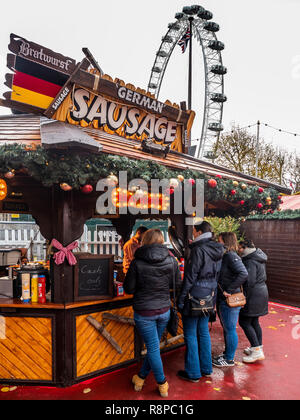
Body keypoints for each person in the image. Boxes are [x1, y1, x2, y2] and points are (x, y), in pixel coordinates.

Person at [123, 229, 181, 398]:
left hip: (144, 311)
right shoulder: (172, 260)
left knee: (153, 348)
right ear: (162, 241)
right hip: (164, 310)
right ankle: (140, 378)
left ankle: (162, 383)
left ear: (145, 241)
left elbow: (128, 288)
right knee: (154, 347)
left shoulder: (137, 262)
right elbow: (176, 283)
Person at [177, 221, 224, 382]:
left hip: (194, 295)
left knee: (190, 334)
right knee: (203, 332)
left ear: (198, 232)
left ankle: (193, 373)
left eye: (194, 232)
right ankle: (206, 369)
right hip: (209, 295)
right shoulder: (218, 249)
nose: (193, 234)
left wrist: (181, 299)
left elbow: (190, 278)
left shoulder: (197, 250)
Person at [213, 232, 248, 368]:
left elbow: (243, 273)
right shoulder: (229, 256)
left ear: (225, 242)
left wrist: (229, 289)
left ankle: (228, 359)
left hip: (230, 299)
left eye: (220, 240)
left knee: (230, 329)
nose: (218, 242)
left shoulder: (230, 256)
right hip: (226, 299)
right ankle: (227, 354)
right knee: (228, 328)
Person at [238, 239, 268, 363]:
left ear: (245, 248)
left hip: (253, 294)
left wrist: (244, 296)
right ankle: (257, 348)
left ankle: (256, 351)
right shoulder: (257, 256)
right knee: (254, 321)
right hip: (261, 292)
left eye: (239, 248)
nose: (238, 250)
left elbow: (249, 281)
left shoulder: (250, 260)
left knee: (244, 321)